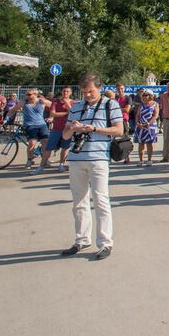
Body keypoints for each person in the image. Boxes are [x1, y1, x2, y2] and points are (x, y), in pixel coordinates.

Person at [60, 72, 122, 260]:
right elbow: (65, 136)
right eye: (85, 92)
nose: (88, 95)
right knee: (79, 201)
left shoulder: (110, 105)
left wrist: (94, 129)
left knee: (101, 200)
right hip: (76, 158)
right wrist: (72, 128)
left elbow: (119, 130)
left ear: (100, 88)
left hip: (98, 158)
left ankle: (105, 242)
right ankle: (82, 238)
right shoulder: (77, 107)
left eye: (91, 91)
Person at [36, 86, 74, 174]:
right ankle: (41, 166)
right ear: (61, 92)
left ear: (70, 93)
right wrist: (66, 113)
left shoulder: (73, 102)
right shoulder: (56, 102)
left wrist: (67, 104)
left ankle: (61, 164)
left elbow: (73, 113)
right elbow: (52, 113)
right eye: (64, 91)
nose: (65, 93)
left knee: (65, 148)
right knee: (49, 147)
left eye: (67, 92)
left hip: (67, 129)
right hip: (56, 128)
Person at [7, 88, 50, 168]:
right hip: (30, 125)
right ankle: (29, 160)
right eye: (26, 94)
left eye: (29, 94)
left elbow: (55, 107)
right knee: (32, 143)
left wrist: (52, 117)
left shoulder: (41, 101)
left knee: (45, 142)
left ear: (35, 94)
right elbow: (13, 110)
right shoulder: (24, 102)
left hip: (42, 124)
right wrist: (6, 119)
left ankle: (45, 160)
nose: (27, 96)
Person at [133, 90, 159, 166]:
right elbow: (137, 115)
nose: (144, 97)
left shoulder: (155, 104)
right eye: (143, 95)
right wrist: (137, 123)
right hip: (140, 126)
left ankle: (149, 159)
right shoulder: (141, 105)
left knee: (149, 143)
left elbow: (155, 116)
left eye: (146, 95)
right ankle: (141, 160)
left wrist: (148, 123)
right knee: (141, 143)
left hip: (150, 126)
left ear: (150, 96)